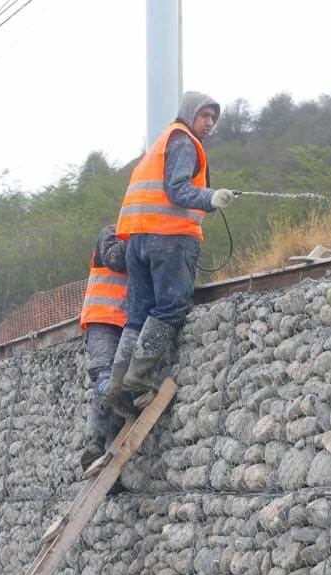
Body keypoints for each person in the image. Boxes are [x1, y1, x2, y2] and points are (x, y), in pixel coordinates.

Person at [103, 91, 236, 416]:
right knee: (172, 305)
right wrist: (209, 197)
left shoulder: (161, 144)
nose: (209, 123)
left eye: (213, 119)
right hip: (169, 240)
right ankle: (138, 376)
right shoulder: (184, 142)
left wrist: (208, 197)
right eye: (205, 116)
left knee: (138, 314)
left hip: (138, 242)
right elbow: (176, 189)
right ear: (190, 113)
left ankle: (116, 387)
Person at [78, 224, 128, 472]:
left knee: (119, 389)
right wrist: (144, 243)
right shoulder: (109, 234)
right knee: (105, 376)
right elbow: (116, 259)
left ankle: (107, 457)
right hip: (102, 320)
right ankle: (94, 445)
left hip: (127, 324)